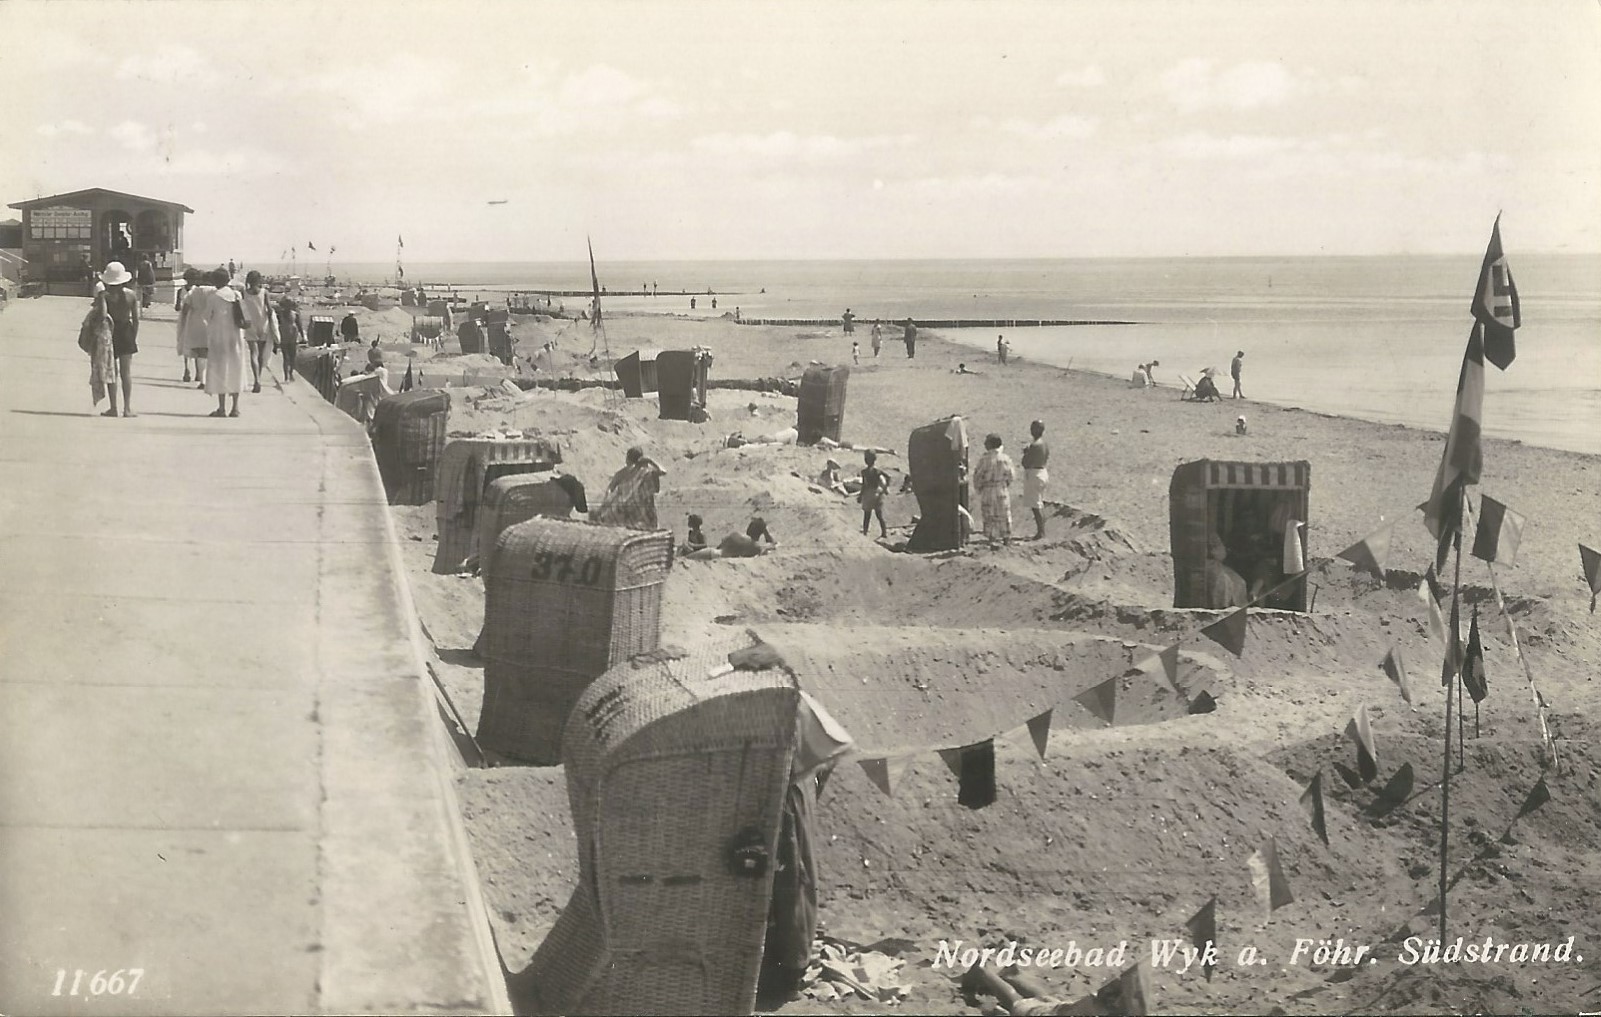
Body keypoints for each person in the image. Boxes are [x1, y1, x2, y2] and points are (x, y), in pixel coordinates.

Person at [202, 267, 249, 418]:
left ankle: (221, 408)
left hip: (219, 338)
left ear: (214, 281)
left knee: (220, 370)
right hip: (236, 337)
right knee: (236, 369)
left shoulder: (213, 297)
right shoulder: (236, 295)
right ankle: (235, 407)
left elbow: (206, 316)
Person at [99, 262, 140, 417]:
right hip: (126, 331)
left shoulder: (105, 295)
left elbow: (102, 315)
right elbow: (136, 319)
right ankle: (127, 408)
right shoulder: (131, 295)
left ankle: (113, 407)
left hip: (110, 331)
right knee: (126, 372)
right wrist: (133, 336)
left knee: (112, 372)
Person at [592, 446, 666, 530]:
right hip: (639, 514)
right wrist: (650, 461)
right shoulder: (645, 472)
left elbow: (610, 489)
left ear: (627, 459)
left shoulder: (625, 473)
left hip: (626, 512)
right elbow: (663, 471)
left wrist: (605, 502)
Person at [972, 433, 1015, 549]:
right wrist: (1005, 484)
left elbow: (978, 475)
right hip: (1001, 488)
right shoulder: (1005, 459)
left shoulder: (984, 459)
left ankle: (992, 538)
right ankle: (1006, 539)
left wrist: (979, 488)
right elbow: (1011, 475)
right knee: (1004, 514)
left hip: (988, 489)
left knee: (989, 514)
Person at [240, 271, 278, 393]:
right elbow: (270, 310)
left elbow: (242, 308)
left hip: (250, 324)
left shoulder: (244, 292)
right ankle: (259, 378)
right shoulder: (264, 292)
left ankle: (256, 379)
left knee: (253, 353)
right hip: (263, 324)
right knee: (261, 354)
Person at [80, 290, 117, 415]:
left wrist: (101, 298)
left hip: (103, 342)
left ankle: (114, 407)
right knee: (111, 373)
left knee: (106, 372)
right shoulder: (121, 296)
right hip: (108, 341)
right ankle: (115, 406)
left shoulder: (99, 311)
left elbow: (102, 315)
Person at [1021, 420, 1049, 540]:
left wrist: (1026, 453)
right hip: (1043, 471)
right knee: (1039, 503)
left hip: (1034, 474)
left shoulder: (1034, 445)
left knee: (1035, 505)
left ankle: (1041, 532)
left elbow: (1025, 463)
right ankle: (1042, 530)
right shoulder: (1044, 444)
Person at [175, 267, 204, 384]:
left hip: (184, 318)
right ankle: (197, 372)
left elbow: (177, 307)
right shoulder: (198, 291)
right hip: (195, 319)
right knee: (196, 344)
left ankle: (187, 369)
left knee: (185, 343)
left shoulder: (181, 291)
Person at [858, 449, 889, 538]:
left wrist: (861, 495)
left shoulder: (866, 472)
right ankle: (883, 532)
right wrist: (884, 489)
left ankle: (866, 532)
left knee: (868, 515)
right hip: (875, 494)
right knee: (878, 514)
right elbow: (887, 479)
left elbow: (864, 485)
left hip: (870, 494)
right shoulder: (877, 471)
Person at [276, 296, 304, 380]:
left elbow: (300, 326)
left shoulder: (295, 314)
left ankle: (290, 373)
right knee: (286, 357)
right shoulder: (279, 315)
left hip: (293, 337)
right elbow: (275, 326)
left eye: (289, 304)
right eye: (286, 304)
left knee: (292, 357)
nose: (288, 306)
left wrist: (303, 336)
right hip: (283, 338)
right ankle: (286, 376)